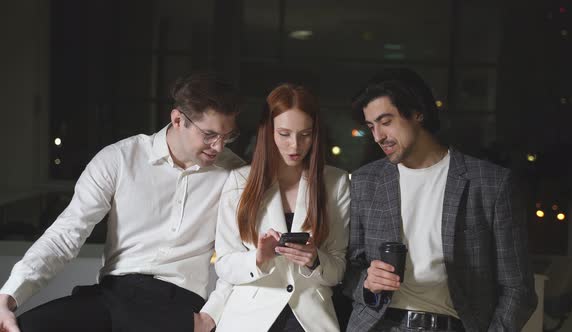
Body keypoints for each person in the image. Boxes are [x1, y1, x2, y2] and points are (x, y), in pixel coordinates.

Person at [0, 72, 244, 332]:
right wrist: (9, 296)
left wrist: (210, 318)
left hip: (178, 306)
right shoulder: (119, 159)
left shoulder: (235, 174)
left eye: (226, 136)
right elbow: (65, 235)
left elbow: (238, 256)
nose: (218, 147)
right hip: (112, 296)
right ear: (177, 120)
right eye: (209, 135)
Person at [343, 68, 538, 332]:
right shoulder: (366, 182)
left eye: (386, 121)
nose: (378, 136)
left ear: (417, 113)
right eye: (371, 126)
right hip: (380, 324)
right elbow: (349, 269)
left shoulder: (490, 184)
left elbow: (518, 288)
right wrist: (367, 281)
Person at [212, 84, 350, 332]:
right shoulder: (240, 181)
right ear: (268, 132)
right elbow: (224, 264)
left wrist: (315, 260)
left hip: (310, 319)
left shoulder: (336, 182)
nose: (295, 146)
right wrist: (258, 258)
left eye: (305, 134)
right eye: (284, 134)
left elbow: (338, 270)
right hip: (249, 318)